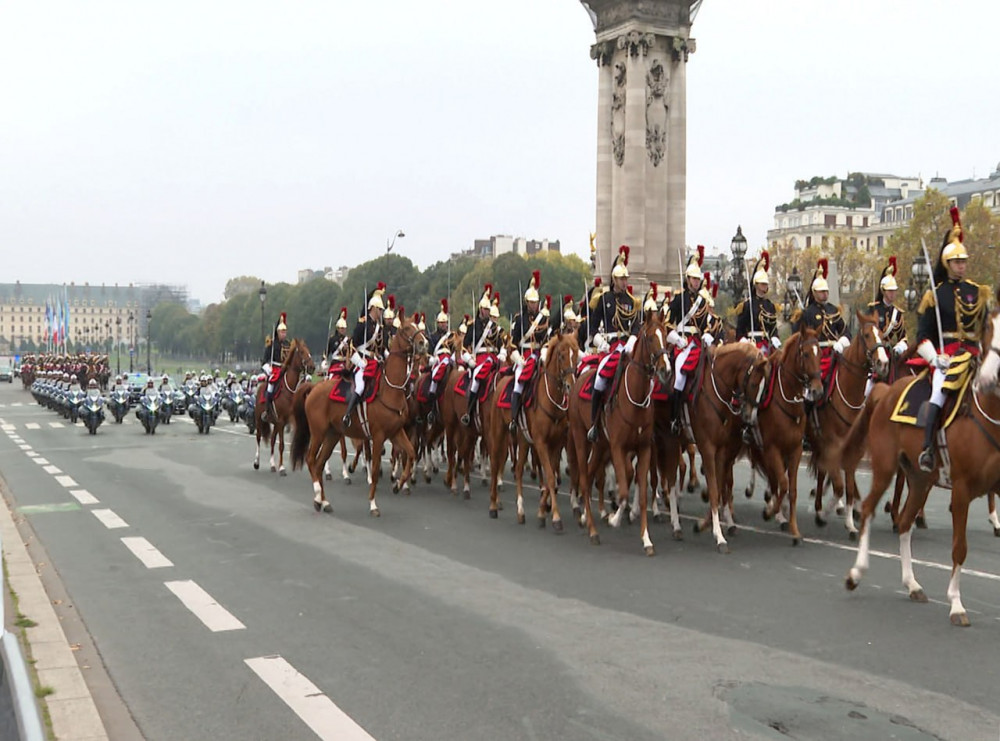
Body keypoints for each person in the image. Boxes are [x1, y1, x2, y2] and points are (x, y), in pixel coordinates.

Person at [916, 207, 988, 472]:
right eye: (958, 262)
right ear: (948, 264)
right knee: (938, 393)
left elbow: (983, 329)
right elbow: (922, 336)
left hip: (974, 356)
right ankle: (927, 448)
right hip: (947, 360)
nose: (962, 265)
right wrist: (935, 357)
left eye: (964, 261)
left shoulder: (976, 292)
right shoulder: (935, 295)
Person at [586, 245, 641, 442]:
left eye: (626, 279)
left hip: (627, 347)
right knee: (600, 379)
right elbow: (593, 328)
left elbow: (636, 325)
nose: (624, 282)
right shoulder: (604, 299)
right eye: (621, 279)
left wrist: (633, 339)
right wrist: (599, 341)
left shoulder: (632, 301)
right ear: (614, 279)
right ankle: (594, 423)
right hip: (609, 347)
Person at [664, 247, 720, 434]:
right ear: (688, 279)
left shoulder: (703, 303)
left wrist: (708, 333)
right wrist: (677, 340)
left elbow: (708, 324)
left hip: (697, 344)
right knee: (680, 376)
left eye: (698, 279)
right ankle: (674, 418)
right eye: (694, 279)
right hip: (682, 345)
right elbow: (667, 326)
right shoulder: (678, 300)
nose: (696, 282)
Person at [794, 258, 850, 387]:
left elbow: (846, 332)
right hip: (818, 355)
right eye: (821, 292)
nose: (825, 294)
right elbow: (799, 335)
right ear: (814, 293)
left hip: (835, 353)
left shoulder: (833, 310)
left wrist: (841, 343)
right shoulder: (808, 312)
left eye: (826, 291)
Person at [509, 271, 550, 431]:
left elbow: (546, 341)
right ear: (526, 303)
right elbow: (513, 345)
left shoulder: (543, 319)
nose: (534, 305)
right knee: (518, 385)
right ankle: (514, 419)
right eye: (532, 303)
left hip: (539, 357)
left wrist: (545, 355)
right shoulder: (520, 320)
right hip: (524, 358)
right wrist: (519, 360)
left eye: (536, 302)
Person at [344, 283, 387, 426]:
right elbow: (352, 346)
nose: (381, 312)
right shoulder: (362, 324)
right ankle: (348, 415)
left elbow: (381, 348)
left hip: (374, 362)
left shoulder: (378, 327)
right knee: (360, 386)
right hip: (361, 362)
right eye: (380, 309)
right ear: (373, 308)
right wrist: (361, 363)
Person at [865, 256, 909, 396]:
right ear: (883, 291)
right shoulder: (873, 309)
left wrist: (900, 346)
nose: (893, 294)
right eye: (890, 291)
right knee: (867, 387)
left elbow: (903, 337)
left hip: (891, 354)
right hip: (874, 353)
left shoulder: (898, 313)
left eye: (894, 290)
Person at [461, 285, 503, 426]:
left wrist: (502, 355)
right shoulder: (473, 327)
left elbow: (502, 345)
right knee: (476, 380)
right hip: (478, 359)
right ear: (480, 309)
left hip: (493, 359)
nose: (486, 312)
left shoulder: (494, 328)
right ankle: (469, 410)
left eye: (488, 310)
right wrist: (469, 360)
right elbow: (463, 348)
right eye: (485, 309)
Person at [735, 250, 780, 354]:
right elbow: (739, 331)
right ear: (756, 285)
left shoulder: (770, 306)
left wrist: (775, 337)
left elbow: (773, 328)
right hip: (752, 345)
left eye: (765, 284)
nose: (764, 286)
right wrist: (745, 341)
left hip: (767, 344)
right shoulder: (747, 305)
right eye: (762, 284)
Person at [425, 299, 452, 424]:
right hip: (437, 360)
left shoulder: (452, 336)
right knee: (436, 376)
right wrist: (432, 359)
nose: (443, 325)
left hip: (449, 359)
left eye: (445, 323)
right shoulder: (433, 337)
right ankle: (432, 405)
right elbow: (428, 353)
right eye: (441, 323)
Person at [261, 312, 289, 403]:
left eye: (285, 332)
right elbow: (265, 360)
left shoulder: (288, 344)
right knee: (271, 384)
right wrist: (268, 369)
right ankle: (268, 404)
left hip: (286, 368)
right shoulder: (272, 344)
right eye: (282, 332)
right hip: (275, 369)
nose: (284, 334)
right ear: (278, 332)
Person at [325, 307, 351, 376]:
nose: (343, 330)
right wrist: (324, 362)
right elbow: (326, 353)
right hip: (335, 363)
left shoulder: (348, 340)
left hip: (345, 365)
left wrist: (347, 349)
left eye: (344, 328)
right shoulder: (332, 339)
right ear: (338, 328)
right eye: (341, 328)